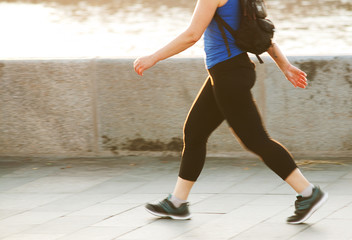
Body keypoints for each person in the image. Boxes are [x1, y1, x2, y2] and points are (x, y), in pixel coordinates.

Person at [133, 0, 328, 224]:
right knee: (194, 132)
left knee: (256, 140)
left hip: (228, 76)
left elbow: (192, 35)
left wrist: (153, 57)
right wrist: (284, 65)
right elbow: (258, 31)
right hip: (231, 72)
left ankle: (308, 192)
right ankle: (177, 203)